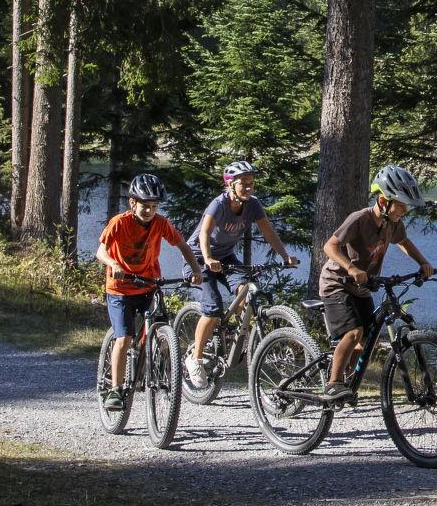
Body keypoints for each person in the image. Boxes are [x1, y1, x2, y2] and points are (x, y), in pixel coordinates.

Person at [317, 165, 437, 403]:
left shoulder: (392, 222)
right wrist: (351, 268)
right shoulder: (359, 219)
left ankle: (347, 379)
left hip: (362, 287)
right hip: (336, 283)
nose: (405, 210)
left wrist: (423, 263)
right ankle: (333, 384)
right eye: (401, 205)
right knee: (354, 332)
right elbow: (329, 246)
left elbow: (403, 242)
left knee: (367, 339)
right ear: (383, 201)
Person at [185, 159, 297, 388]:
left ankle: (236, 338)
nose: (248, 187)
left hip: (226, 258)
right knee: (212, 309)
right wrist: (208, 258)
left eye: (251, 183)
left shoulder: (253, 205)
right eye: (243, 183)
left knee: (246, 293)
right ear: (230, 184)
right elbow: (204, 233)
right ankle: (195, 359)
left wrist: (285, 256)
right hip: (198, 258)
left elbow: (268, 232)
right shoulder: (219, 204)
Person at [96, 172, 201, 411]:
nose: (150, 211)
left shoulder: (161, 223)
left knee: (161, 324)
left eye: (154, 206)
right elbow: (100, 251)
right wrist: (113, 264)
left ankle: (155, 362)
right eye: (145, 205)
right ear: (132, 203)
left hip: (148, 284)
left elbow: (182, 245)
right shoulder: (119, 223)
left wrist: (196, 269)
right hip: (120, 289)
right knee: (124, 338)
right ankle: (115, 389)